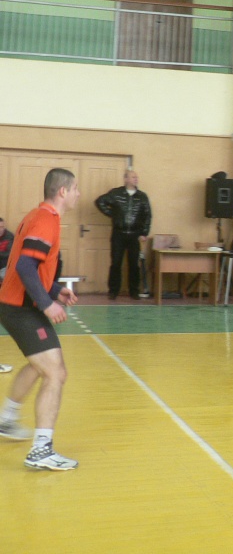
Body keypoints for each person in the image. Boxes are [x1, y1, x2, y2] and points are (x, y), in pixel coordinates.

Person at [0, 168, 81, 470]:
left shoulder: (39, 216)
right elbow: (24, 267)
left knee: (40, 366)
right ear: (63, 191)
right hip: (23, 309)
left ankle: (7, 419)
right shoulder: (46, 220)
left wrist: (56, 290)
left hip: (15, 305)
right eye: (75, 188)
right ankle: (41, 450)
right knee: (55, 373)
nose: (78, 194)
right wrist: (47, 305)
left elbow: (33, 268)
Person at [95, 169, 152, 300]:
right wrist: (113, 214)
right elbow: (100, 201)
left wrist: (144, 232)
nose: (136, 179)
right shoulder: (116, 193)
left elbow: (148, 215)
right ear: (126, 179)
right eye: (133, 177)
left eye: (136, 177)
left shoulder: (142, 196)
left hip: (135, 235)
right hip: (118, 234)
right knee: (116, 263)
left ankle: (134, 291)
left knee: (134, 264)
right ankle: (113, 291)